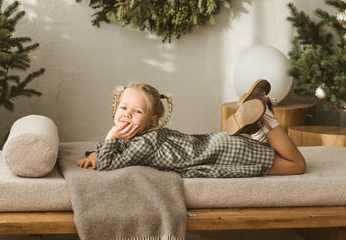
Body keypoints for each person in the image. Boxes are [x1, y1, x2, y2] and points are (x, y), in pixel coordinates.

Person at [76, 80, 306, 177]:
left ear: (152, 120)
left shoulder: (144, 142)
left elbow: (107, 167)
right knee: (272, 152)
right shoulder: (145, 136)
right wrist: (98, 151)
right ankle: (256, 128)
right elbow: (117, 151)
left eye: (137, 112)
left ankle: (264, 115)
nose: (127, 114)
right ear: (115, 107)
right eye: (124, 107)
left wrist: (110, 136)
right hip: (219, 145)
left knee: (296, 165)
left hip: (226, 153)